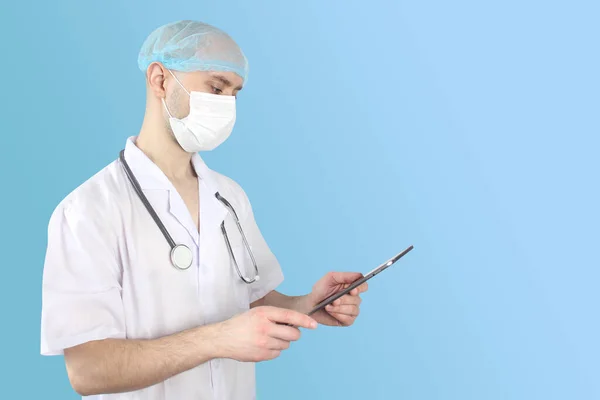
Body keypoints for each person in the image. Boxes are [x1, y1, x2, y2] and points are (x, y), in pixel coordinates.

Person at [40, 20, 368, 400]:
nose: (226, 104)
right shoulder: (88, 210)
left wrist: (308, 305)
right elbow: (87, 370)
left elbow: (251, 298)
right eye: (215, 87)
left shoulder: (229, 197)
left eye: (235, 93)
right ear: (160, 80)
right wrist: (217, 339)